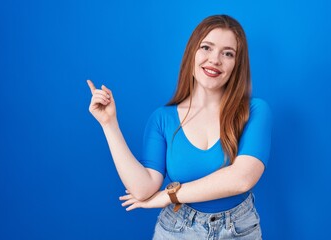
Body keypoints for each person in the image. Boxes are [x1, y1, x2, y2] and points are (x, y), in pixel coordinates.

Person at [87, 14, 271, 240]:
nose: (215, 59)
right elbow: (143, 189)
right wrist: (109, 124)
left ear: (237, 65)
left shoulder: (254, 111)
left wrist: (169, 196)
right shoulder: (162, 119)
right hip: (176, 230)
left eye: (228, 53)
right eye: (206, 47)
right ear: (192, 53)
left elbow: (242, 178)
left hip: (239, 230)